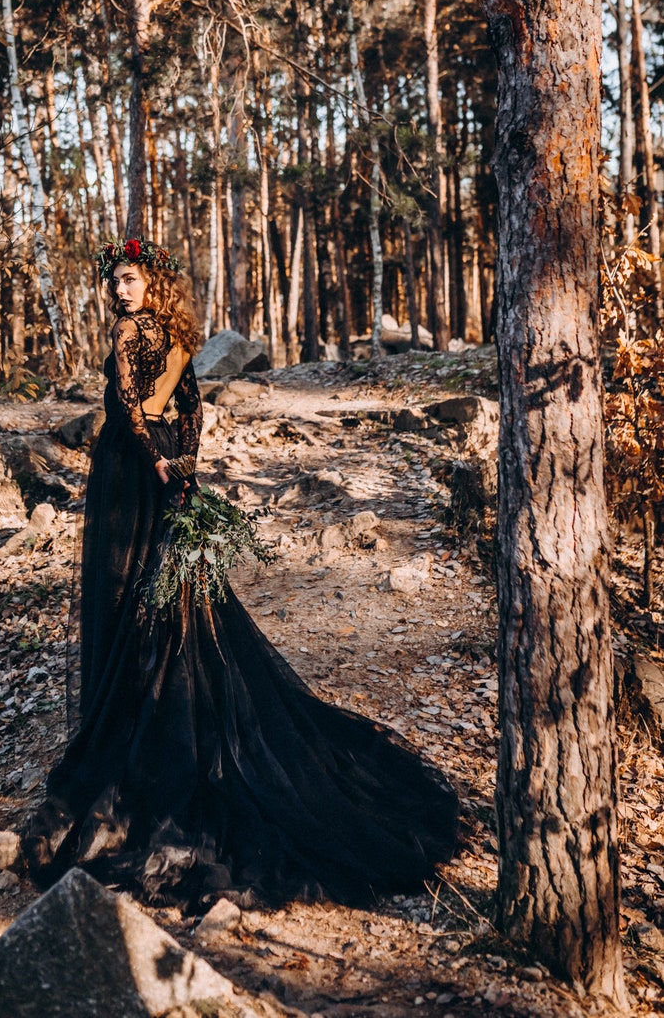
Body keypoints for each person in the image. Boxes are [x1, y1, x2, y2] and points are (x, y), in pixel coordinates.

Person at [24, 236, 458, 909]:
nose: (119, 289)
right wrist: (182, 468)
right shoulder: (169, 334)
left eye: (130, 278)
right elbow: (186, 409)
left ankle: (137, 740)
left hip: (135, 479)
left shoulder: (134, 332)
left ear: (153, 282)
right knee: (166, 603)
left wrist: (166, 467)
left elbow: (136, 413)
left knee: (138, 599)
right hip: (159, 477)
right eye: (115, 280)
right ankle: (156, 722)